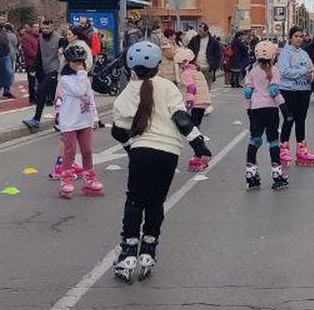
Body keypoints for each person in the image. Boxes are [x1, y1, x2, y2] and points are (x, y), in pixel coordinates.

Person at [110, 40, 214, 283]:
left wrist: (130, 149)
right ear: (158, 64)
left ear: (131, 68)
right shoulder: (168, 87)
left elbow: (119, 131)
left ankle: (128, 253)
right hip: (168, 153)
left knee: (135, 201)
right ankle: (148, 250)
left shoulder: (126, 94)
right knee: (156, 202)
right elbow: (181, 119)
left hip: (142, 152)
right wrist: (200, 146)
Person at [51, 45, 102, 198]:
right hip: (69, 121)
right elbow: (79, 91)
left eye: (80, 61)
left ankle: (90, 178)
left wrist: (95, 118)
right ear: (68, 62)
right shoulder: (65, 79)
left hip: (84, 119)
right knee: (70, 151)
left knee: (87, 150)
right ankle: (66, 180)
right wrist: (82, 74)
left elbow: (90, 98)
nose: (78, 64)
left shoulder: (84, 77)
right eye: (74, 61)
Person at [242, 40, 288, 190]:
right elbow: (274, 92)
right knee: (273, 141)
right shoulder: (274, 70)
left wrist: (248, 109)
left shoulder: (252, 71)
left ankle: (251, 173)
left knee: (254, 140)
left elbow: (248, 92)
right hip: (270, 109)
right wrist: (284, 109)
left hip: (256, 109)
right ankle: (277, 174)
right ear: (273, 55)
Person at [276, 27, 314, 167]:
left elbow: (311, 70)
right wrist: (302, 71)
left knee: (301, 120)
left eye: (301, 36)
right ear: (290, 38)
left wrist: (309, 77)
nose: (299, 39)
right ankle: (283, 149)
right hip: (289, 91)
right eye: (296, 36)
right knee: (289, 119)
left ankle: (301, 149)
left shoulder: (305, 54)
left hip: (303, 90)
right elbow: (284, 71)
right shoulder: (285, 53)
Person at [23, 20, 66, 130]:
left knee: (41, 91)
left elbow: (63, 43)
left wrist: (61, 49)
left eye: (47, 28)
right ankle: (38, 120)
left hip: (55, 70)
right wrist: (33, 67)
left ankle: (38, 120)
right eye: (43, 28)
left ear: (52, 28)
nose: (45, 30)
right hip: (44, 70)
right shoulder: (40, 38)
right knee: (55, 97)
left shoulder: (59, 38)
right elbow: (39, 54)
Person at [175, 47, 212, 172]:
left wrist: (188, 103)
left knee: (191, 131)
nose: (179, 66)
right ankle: (200, 154)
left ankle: (201, 154)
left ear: (185, 62)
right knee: (195, 128)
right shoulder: (196, 69)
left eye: (180, 63)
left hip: (195, 103)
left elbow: (191, 88)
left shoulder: (187, 72)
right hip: (202, 102)